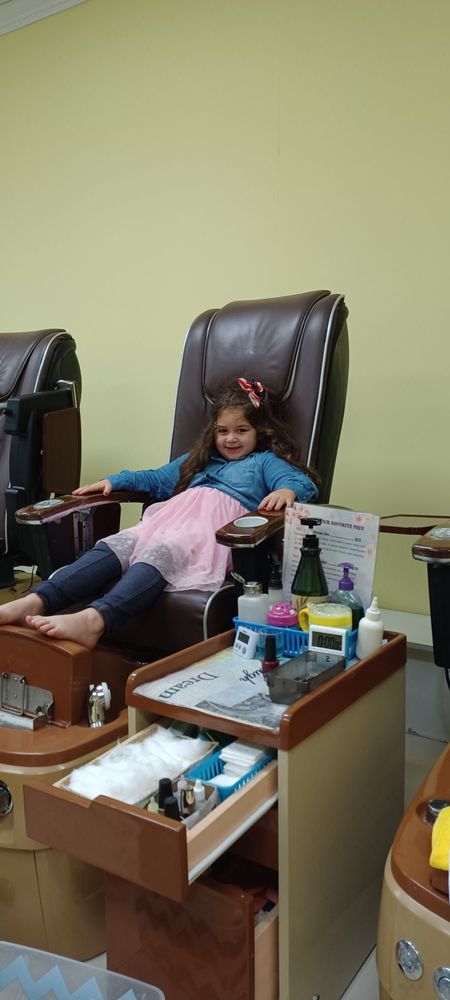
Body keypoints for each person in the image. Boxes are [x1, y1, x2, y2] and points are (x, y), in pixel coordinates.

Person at [0, 377, 319, 649]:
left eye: (241, 430)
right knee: (116, 545)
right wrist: (114, 481)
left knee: (161, 551)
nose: (230, 438)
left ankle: (95, 620)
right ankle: (35, 601)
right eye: (222, 431)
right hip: (166, 525)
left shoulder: (263, 462)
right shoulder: (199, 461)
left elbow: (302, 484)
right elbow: (154, 479)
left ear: (259, 431)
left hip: (210, 537)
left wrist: (286, 491)